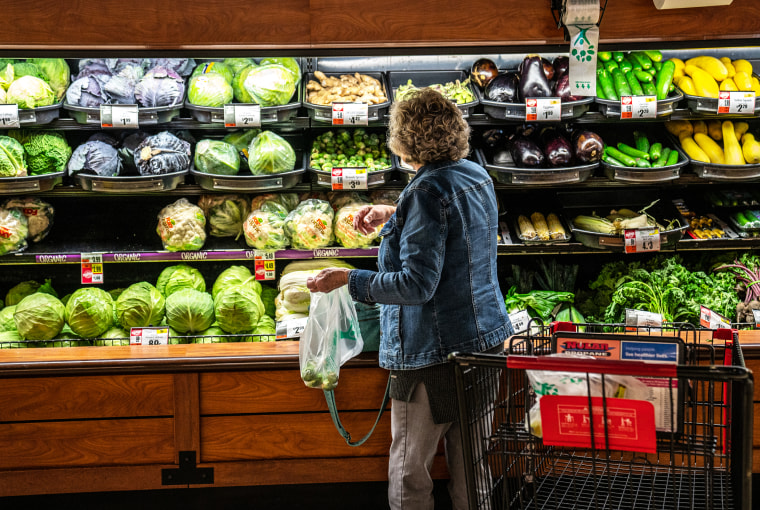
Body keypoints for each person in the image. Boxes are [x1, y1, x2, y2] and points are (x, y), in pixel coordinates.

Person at [306, 87, 512, 510]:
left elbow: (416, 285)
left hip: (433, 353)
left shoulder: (424, 192)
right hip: (485, 341)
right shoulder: (475, 173)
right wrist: (395, 211)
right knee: (472, 464)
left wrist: (349, 280)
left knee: (409, 470)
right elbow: (446, 213)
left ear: (404, 140)